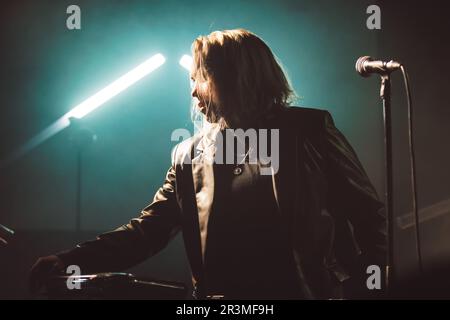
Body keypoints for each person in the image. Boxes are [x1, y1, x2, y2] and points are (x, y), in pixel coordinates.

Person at [30, 29, 386, 299]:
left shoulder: (308, 129)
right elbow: (148, 231)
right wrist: (72, 259)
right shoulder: (188, 155)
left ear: (233, 77)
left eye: (199, 79)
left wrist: (369, 288)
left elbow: (369, 216)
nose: (192, 92)